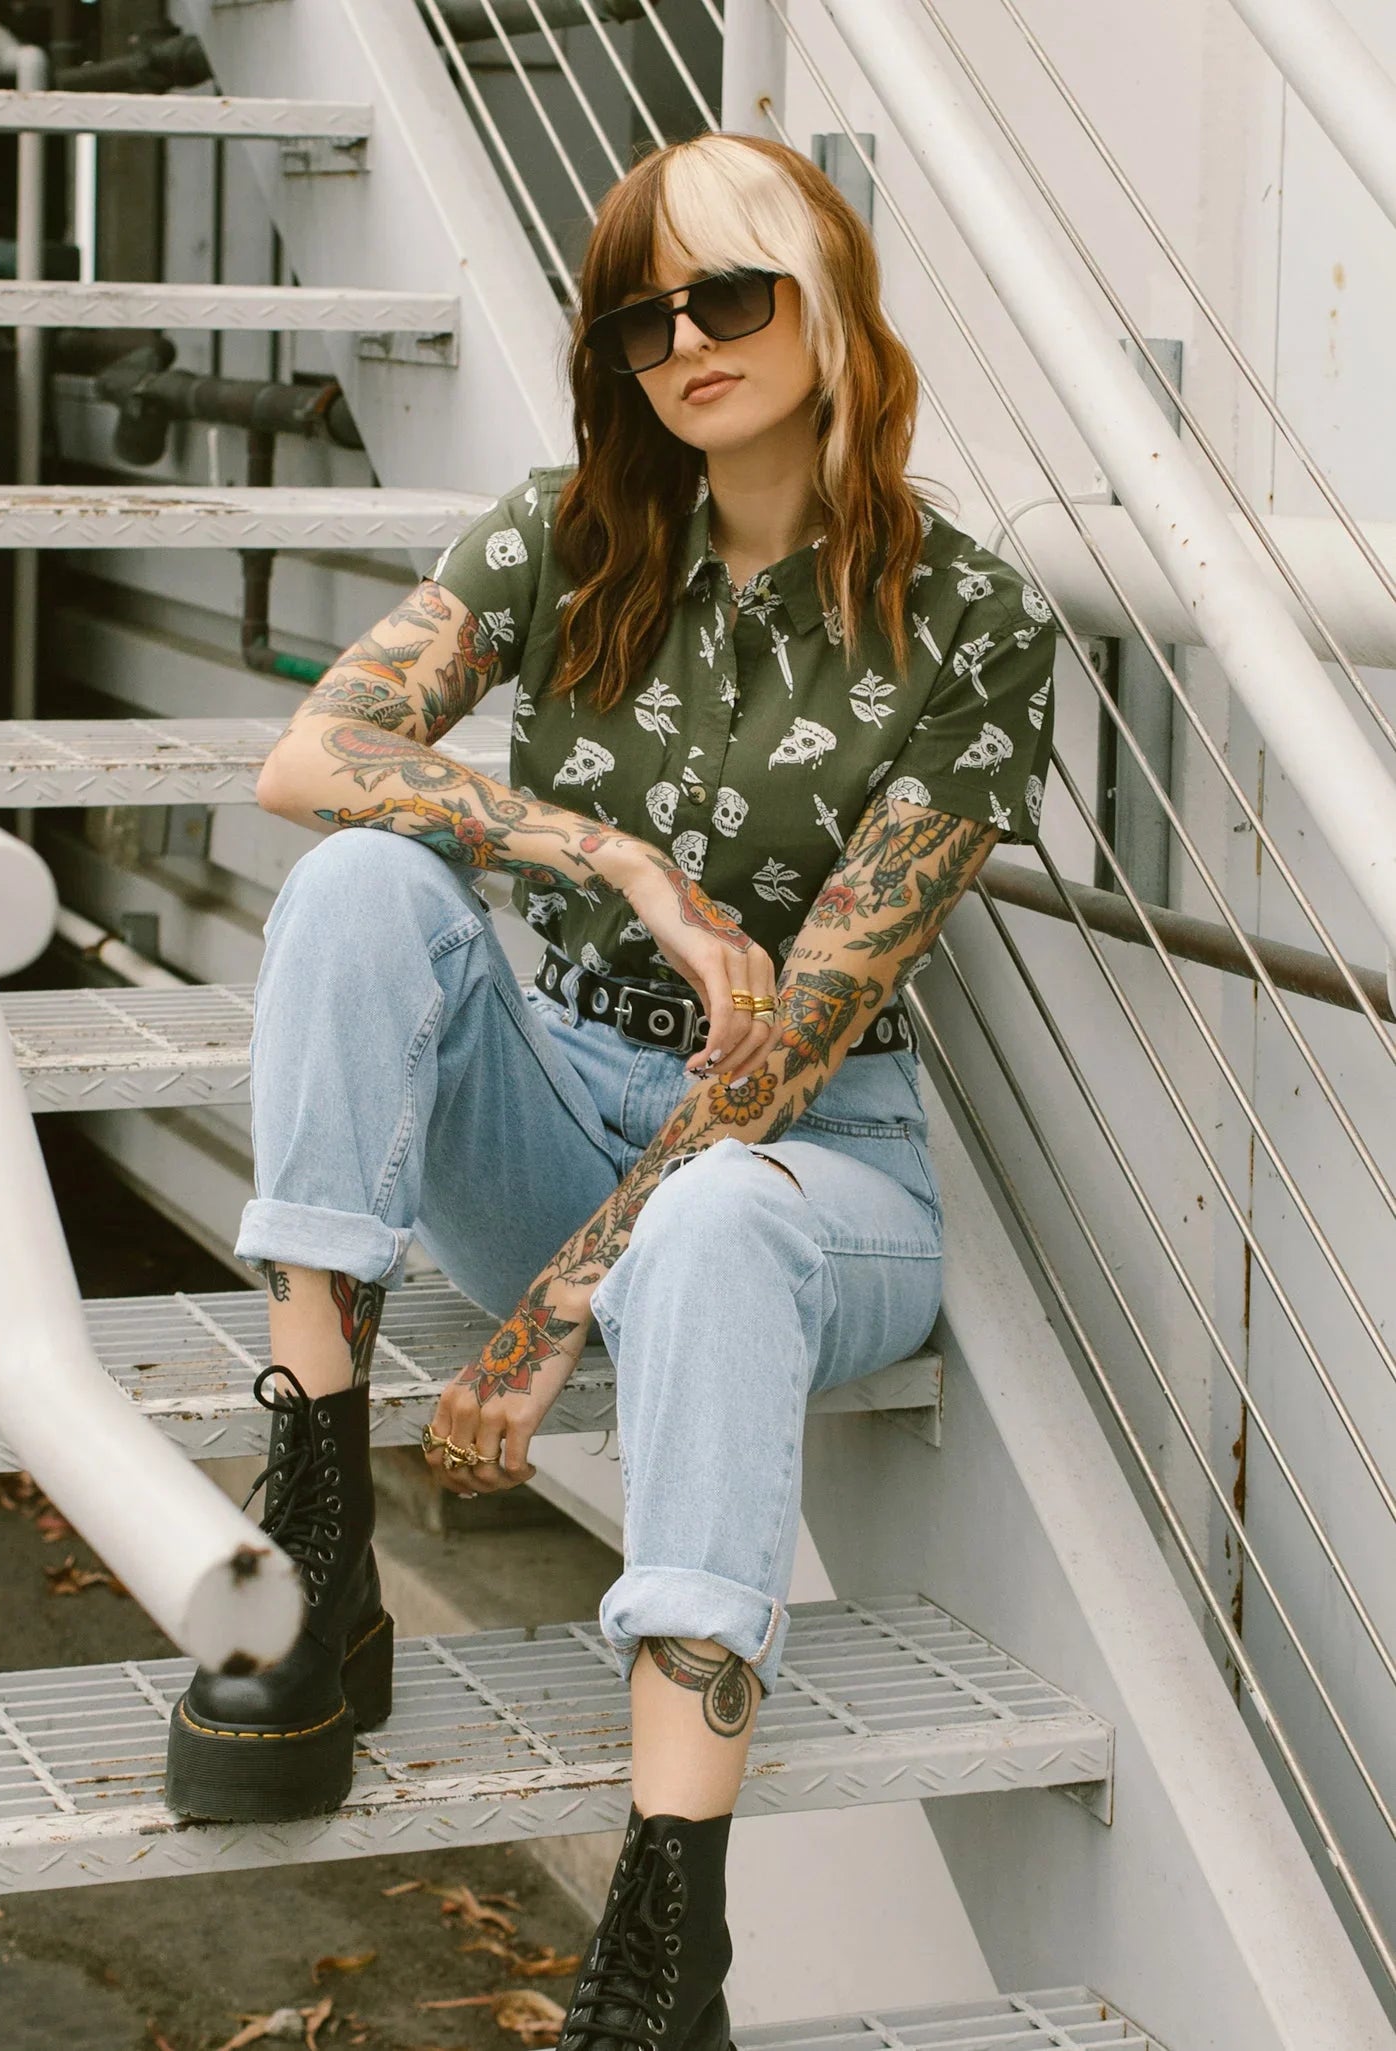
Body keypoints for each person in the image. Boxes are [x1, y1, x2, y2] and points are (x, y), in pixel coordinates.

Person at [163, 131, 1056, 2050]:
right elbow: (308, 762)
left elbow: (786, 1052)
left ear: (830, 301)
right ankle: (318, 1549)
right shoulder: (564, 533)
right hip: (548, 1093)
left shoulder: (971, 632)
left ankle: (669, 1941)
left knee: (724, 1217)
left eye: (729, 295)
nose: (685, 341)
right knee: (362, 882)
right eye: (642, 316)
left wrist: (556, 1315)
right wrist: (609, 859)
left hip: (820, 1166)